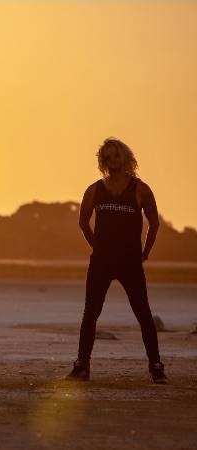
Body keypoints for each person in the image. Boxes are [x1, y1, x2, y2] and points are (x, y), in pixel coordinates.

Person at [67, 138, 167, 384]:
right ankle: (81, 366)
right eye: (107, 157)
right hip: (101, 261)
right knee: (90, 313)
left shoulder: (140, 189)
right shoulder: (95, 190)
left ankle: (156, 367)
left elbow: (154, 224)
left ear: (125, 157)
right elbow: (83, 222)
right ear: (103, 162)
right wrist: (96, 246)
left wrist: (145, 253)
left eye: (116, 155)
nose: (112, 161)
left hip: (130, 262)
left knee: (143, 313)